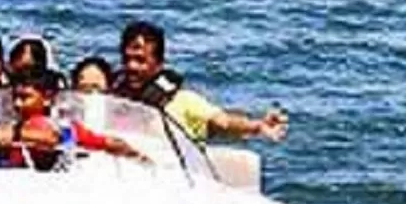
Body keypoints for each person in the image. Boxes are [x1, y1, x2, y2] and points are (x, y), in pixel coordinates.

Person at [111, 20, 287, 145]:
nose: (131, 66)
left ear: (159, 63)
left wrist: (258, 126)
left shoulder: (184, 101)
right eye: (127, 59)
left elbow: (224, 123)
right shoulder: (114, 96)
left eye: (140, 60)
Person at [0, 70, 145, 171]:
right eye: (15, 97)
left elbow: (50, 138)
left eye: (25, 98)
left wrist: (139, 157)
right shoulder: (15, 126)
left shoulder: (59, 127)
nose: (17, 103)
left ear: (48, 98)